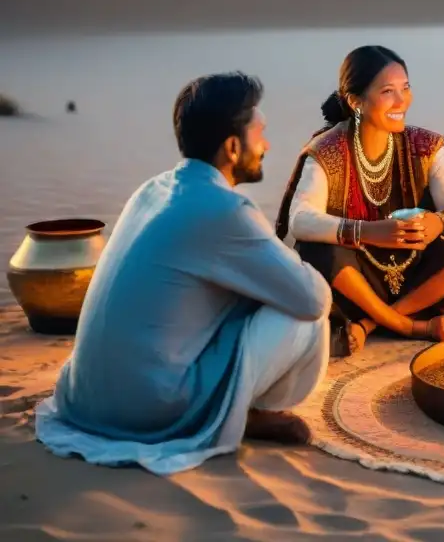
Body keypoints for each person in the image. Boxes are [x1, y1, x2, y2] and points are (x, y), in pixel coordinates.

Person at [35, 73, 331, 475]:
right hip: (151, 410)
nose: (267, 145)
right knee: (304, 318)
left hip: (83, 398)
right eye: (260, 133)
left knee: (256, 293)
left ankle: (237, 407)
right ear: (232, 146)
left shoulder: (152, 189)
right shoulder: (224, 209)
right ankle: (248, 413)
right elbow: (312, 299)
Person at [276, 46, 444, 356]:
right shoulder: (328, 150)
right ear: (355, 101)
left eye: (406, 88)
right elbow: (301, 219)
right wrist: (369, 232)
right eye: (388, 91)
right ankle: (408, 325)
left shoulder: (424, 146)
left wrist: (439, 222)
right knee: (316, 249)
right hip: (358, 278)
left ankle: (370, 324)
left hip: (413, 270)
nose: (402, 101)